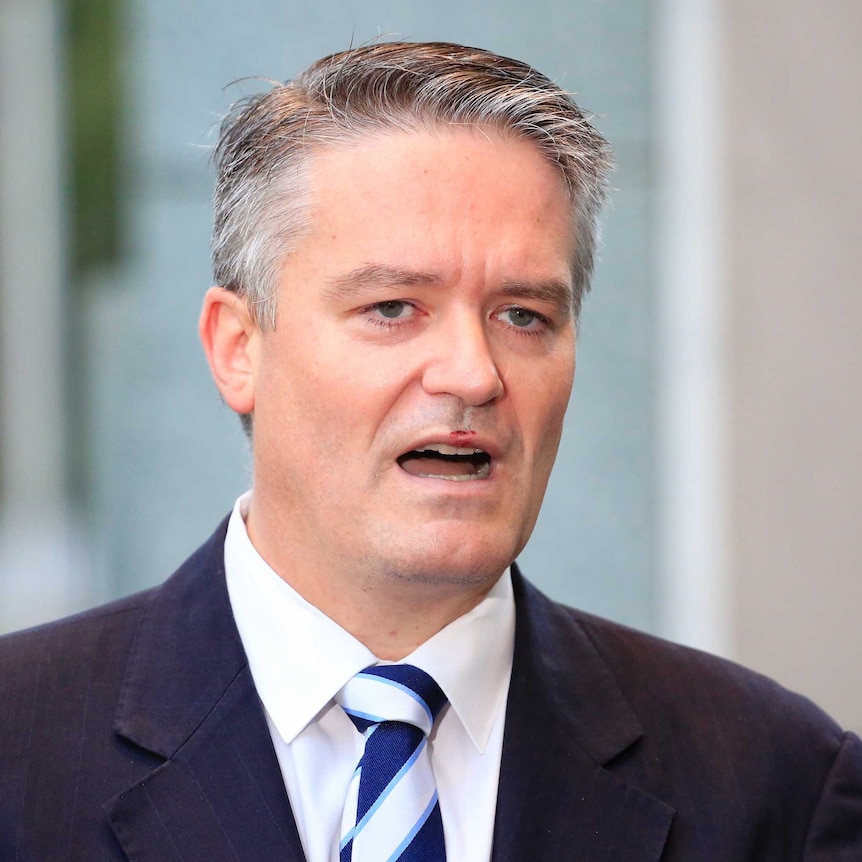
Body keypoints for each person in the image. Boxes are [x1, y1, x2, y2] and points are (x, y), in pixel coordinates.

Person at [1, 41, 860, 862]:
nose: (473, 374)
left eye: (523, 315)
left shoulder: (776, 782)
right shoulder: (20, 751)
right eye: (393, 307)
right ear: (238, 347)